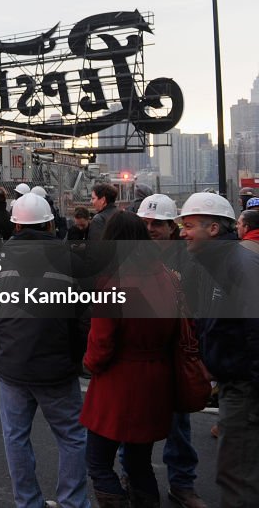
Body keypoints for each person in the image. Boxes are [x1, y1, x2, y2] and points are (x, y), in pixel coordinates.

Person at [0, 193, 92, 508]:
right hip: (57, 367)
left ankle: (28, 502)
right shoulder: (72, 260)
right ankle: (72, 502)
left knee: (15, 437)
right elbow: (85, 319)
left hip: (12, 365)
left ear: (15, 227)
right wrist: (74, 355)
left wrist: (5, 334)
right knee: (71, 435)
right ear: (51, 224)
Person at [80, 212, 179, 507]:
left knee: (98, 461)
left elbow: (101, 344)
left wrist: (89, 363)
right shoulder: (166, 276)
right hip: (156, 377)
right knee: (139, 462)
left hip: (119, 382)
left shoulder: (113, 284)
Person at [179, 192, 259, 508]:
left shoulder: (238, 263)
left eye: (189, 225)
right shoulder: (224, 262)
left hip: (245, 387)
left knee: (236, 475)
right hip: (237, 382)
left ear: (213, 229)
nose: (182, 232)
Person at [136, 193, 208, 508]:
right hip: (139, 356)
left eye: (158, 224)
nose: (151, 229)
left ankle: (182, 484)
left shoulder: (188, 261)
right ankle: (133, 478)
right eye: (147, 223)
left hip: (175, 354)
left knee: (179, 427)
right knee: (134, 426)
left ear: (171, 228)